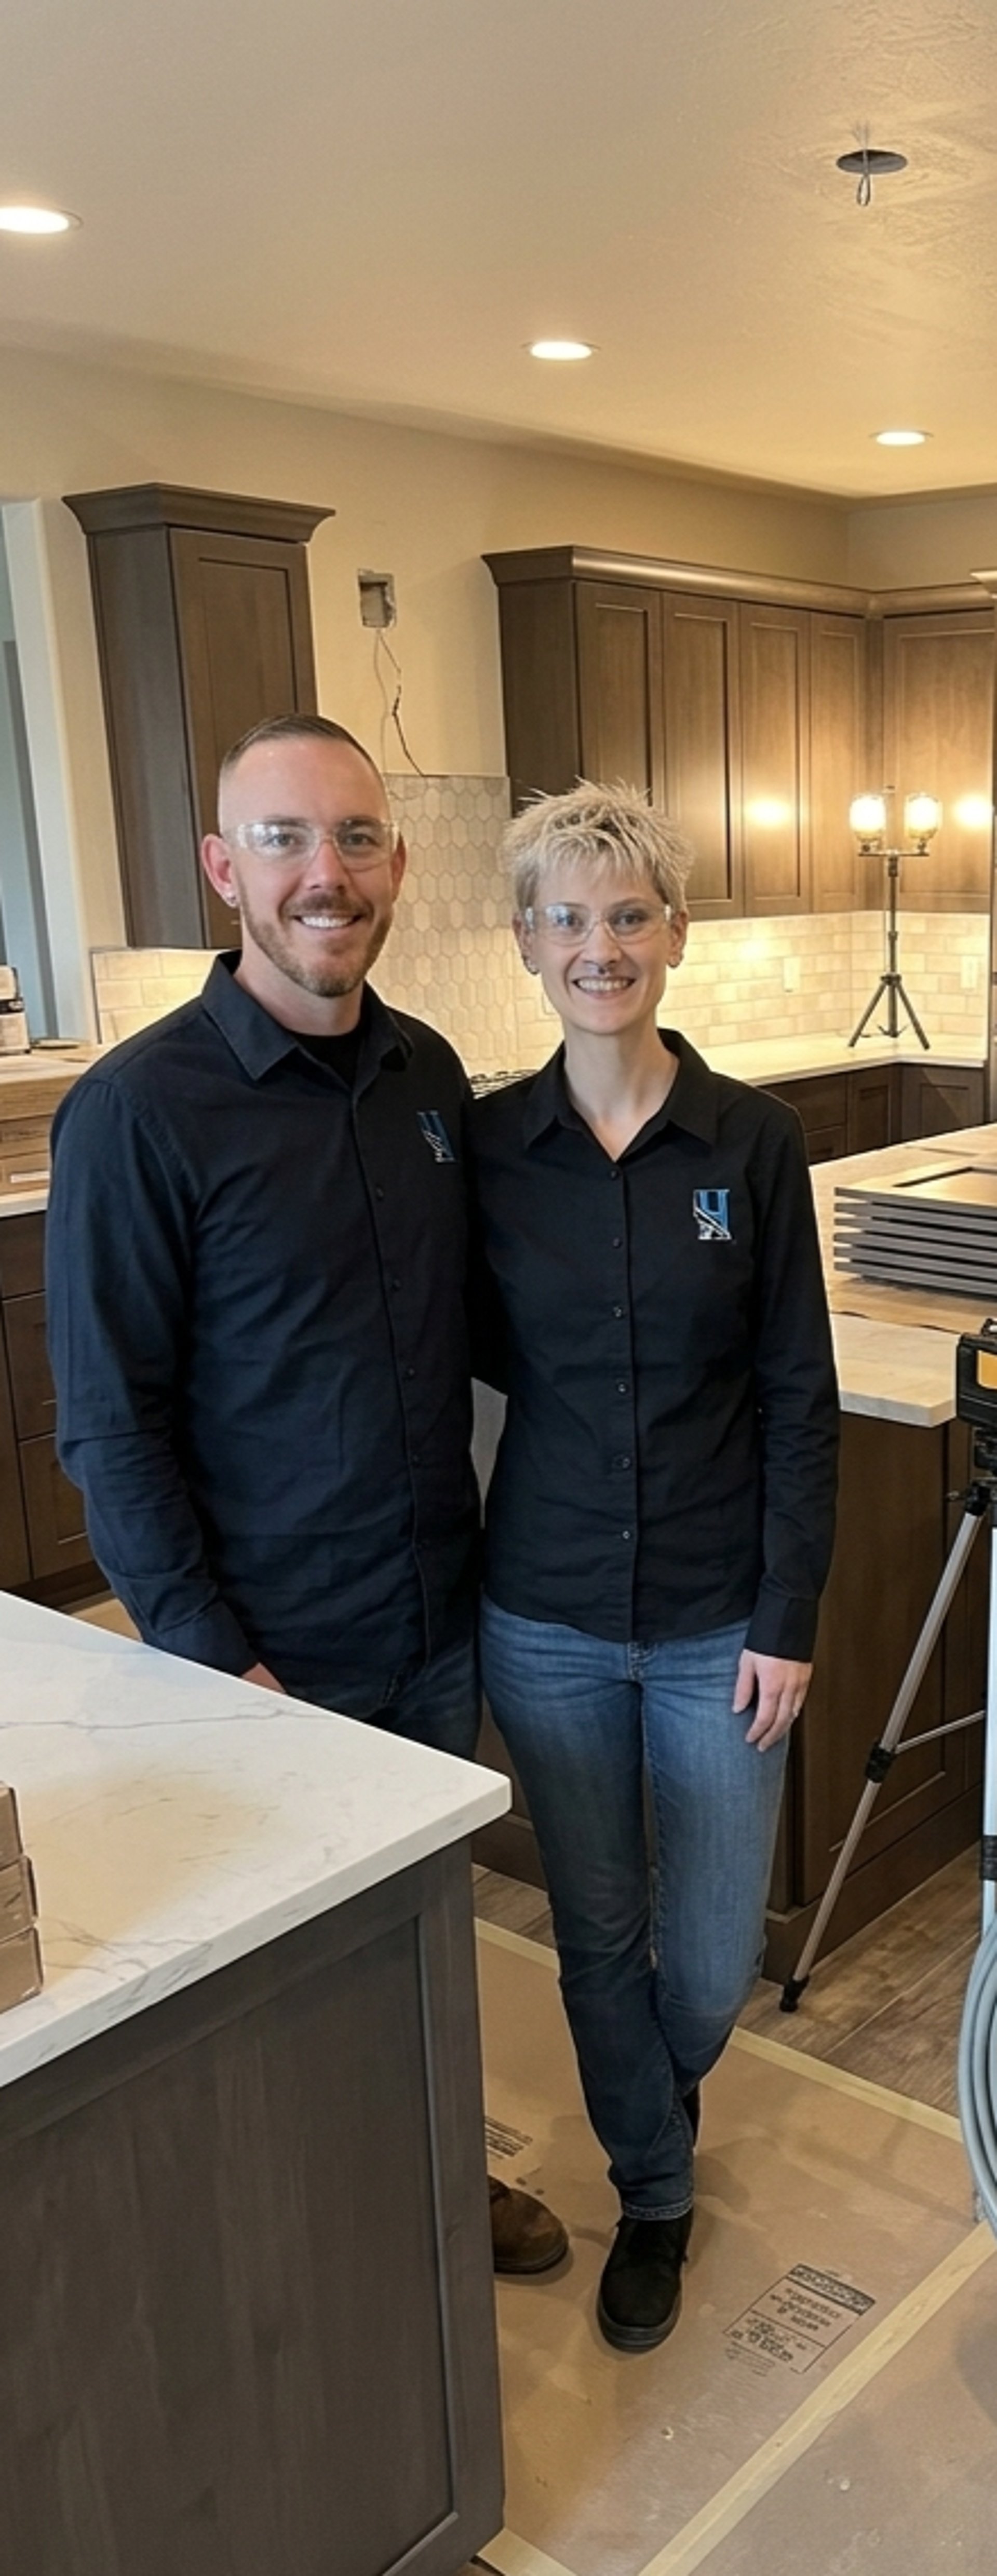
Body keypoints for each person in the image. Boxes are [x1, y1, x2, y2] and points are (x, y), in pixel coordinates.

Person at [45, 712, 567, 2278]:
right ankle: (318, 2270)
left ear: (398, 863)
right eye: (283, 839)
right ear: (224, 868)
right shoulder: (141, 1112)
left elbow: (478, 1324)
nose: (323, 875)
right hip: (267, 1648)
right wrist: (221, 1660)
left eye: (353, 838)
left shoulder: (425, 1073)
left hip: (435, 1607)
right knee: (282, 1974)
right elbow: (108, 1428)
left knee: (424, 1936)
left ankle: (429, 2183)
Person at [470, 781, 839, 2350]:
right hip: (543, 1613)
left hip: (717, 1626)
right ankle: (656, 2191)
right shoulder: (488, 1146)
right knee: (598, 1927)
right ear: (526, 942)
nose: (598, 945)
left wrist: (790, 1615)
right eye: (567, 916)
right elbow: (468, 1362)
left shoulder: (753, 1140)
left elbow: (798, 1398)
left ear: (674, 933)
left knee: (700, 1957)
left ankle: (652, 2102)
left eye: (628, 914)